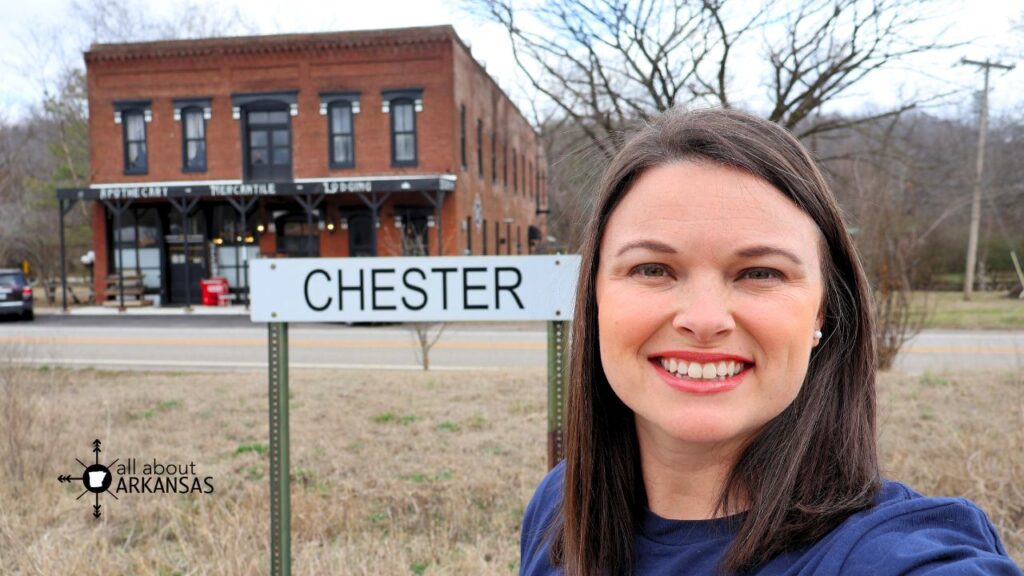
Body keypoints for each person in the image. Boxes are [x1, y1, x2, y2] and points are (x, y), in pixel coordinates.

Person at [520, 108, 1022, 576]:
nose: (704, 320)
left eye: (760, 272)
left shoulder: (889, 553)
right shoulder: (561, 506)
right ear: (595, 298)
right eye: (652, 269)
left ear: (823, 310)